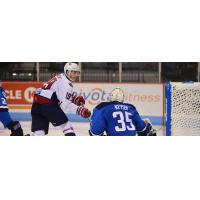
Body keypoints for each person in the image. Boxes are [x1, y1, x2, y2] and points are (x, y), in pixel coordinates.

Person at [30, 62, 91, 136]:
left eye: (77, 73)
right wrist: (80, 110)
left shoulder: (61, 77)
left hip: (37, 104)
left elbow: (60, 95)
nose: (75, 75)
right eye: (73, 72)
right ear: (67, 72)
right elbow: (65, 105)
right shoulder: (65, 84)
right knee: (67, 126)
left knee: (39, 133)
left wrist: (74, 99)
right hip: (47, 104)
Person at [89, 87, 157, 136]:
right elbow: (142, 129)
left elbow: (95, 132)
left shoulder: (103, 107)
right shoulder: (130, 107)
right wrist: (148, 126)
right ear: (122, 98)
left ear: (110, 97)